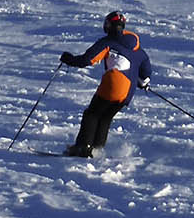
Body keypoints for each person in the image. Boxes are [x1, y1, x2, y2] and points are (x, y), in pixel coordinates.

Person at [60, 10, 151, 157]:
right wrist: (143, 81)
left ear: (108, 25)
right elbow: (145, 68)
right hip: (128, 92)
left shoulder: (108, 42)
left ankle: (83, 147)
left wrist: (69, 60)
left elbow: (87, 60)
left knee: (92, 114)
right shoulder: (137, 47)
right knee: (105, 116)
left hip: (113, 84)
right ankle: (97, 148)